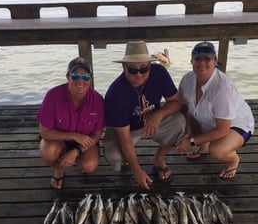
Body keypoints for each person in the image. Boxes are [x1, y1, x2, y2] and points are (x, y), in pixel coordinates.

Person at [103, 40, 186, 190]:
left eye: (144, 69)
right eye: (132, 70)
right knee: (114, 156)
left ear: (150, 65)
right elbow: (124, 139)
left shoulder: (159, 72)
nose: (139, 74)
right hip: (126, 129)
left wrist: (158, 115)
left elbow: (176, 102)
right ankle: (127, 160)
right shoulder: (115, 94)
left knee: (180, 122)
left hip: (153, 122)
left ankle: (159, 160)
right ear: (124, 67)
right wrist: (137, 171)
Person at [175, 41, 254, 180]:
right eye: (198, 58)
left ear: (215, 62)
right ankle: (203, 146)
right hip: (209, 119)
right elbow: (184, 108)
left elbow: (223, 130)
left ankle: (233, 160)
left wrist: (191, 141)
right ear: (191, 61)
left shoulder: (223, 88)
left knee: (217, 151)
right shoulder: (187, 79)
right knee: (179, 122)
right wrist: (187, 134)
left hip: (237, 124)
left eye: (207, 59)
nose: (202, 62)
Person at [37, 57, 105, 189]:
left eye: (85, 76)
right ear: (68, 77)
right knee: (48, 152)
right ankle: (58, 170)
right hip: (59, 140)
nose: (81, 81)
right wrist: (74, 136)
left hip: (84, 143)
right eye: (75, 76)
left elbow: (96, 135)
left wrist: (76, 151)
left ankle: (77, 160)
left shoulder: (97, 100)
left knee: (89, 166)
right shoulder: (53, 95)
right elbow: (44, 132)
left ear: (90, 79)